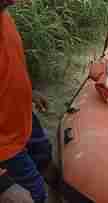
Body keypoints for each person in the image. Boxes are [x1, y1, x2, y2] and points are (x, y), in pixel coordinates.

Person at [0, 2, 48, 203]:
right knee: (35, 193)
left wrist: (31, 92)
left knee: (45, 156)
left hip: (24, 119)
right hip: (5, 143)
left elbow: (12, 66)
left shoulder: (5, 17)